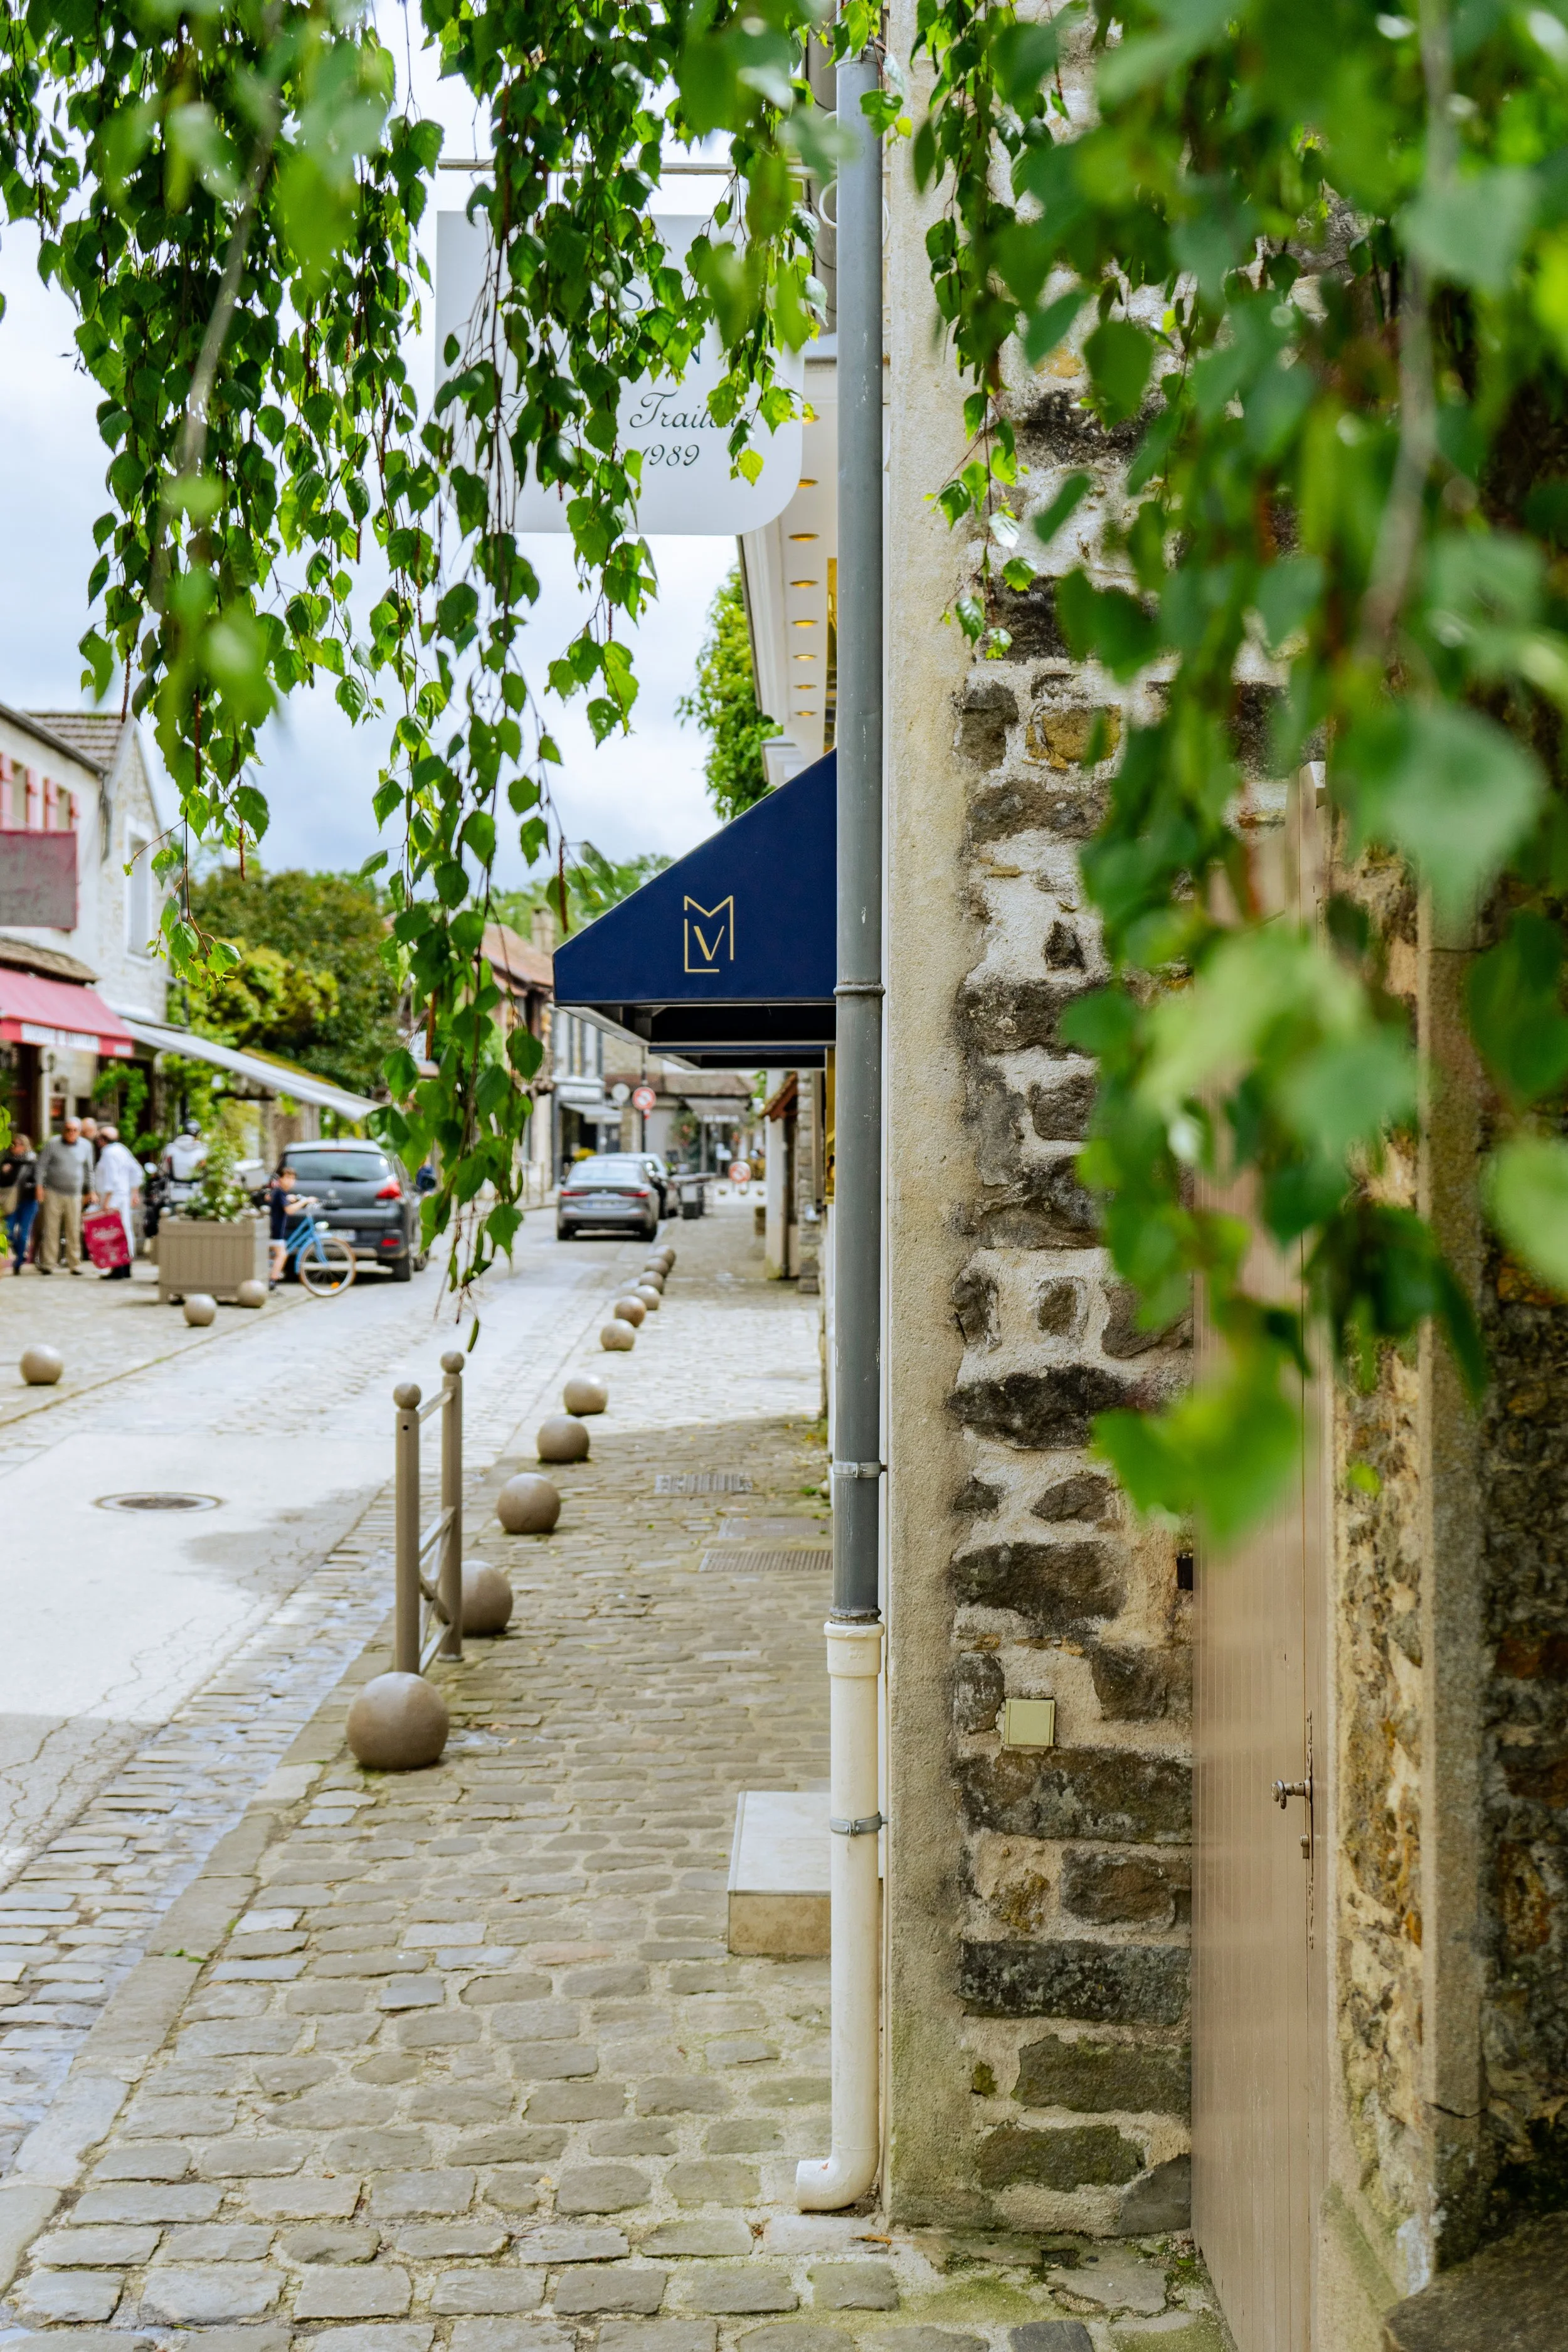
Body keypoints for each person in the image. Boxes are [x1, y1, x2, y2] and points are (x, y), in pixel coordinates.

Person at [36, 1116, 96, 1274]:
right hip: (53, 1192)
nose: (71, 1133)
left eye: (74, 1130)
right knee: (51, 1229)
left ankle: (75, 1264)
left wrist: (91, 1190)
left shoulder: (86, 1146)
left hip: (75, 1194)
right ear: (63, 1130)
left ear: (79, 1132)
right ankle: (49, 1263)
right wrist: (39, 1187)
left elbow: (88, 1170)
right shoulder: (53, 1144)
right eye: (68, 1129)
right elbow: (41, 1166)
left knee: (74, 1229)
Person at [94, 1125, 142, 1280]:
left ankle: (118, 1267)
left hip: (113, 1197)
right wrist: (134, 1193)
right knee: (125, 1230)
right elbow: (137, 1171)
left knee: (113, 1232)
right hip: (123, 1195)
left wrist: (106, 1201)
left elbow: (111, 1178)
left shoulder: (109, 1153)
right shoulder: (122, 1150)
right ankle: (126, 1266)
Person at [0, 1134, 38, 1274]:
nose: (15, 1147)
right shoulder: (7, 1161)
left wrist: (27, 1186)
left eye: (18, 1144)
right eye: (13, 1144)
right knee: (8, 1231)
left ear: (25, 1145)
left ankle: (19, 1261)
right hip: (11, 1202)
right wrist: (5, 1173)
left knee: (23, 1234)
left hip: (28, 1201)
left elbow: (39, 1181)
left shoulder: (33, 1160)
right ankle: (18, 1251)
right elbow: (3, 1185)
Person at [268, 1162, 303, 1283]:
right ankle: (272, 1281)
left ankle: (272, 1278)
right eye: (287, 1178)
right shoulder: (280, 1192)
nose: (290, 1181)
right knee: (282, 1255)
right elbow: (289, 1210)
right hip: (275, 1230)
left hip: (275, 1230)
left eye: (293, 1179)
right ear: (281, 1179)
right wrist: (304, 1202)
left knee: (276, 1254)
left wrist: (289, 1199)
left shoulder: (281, 1193)